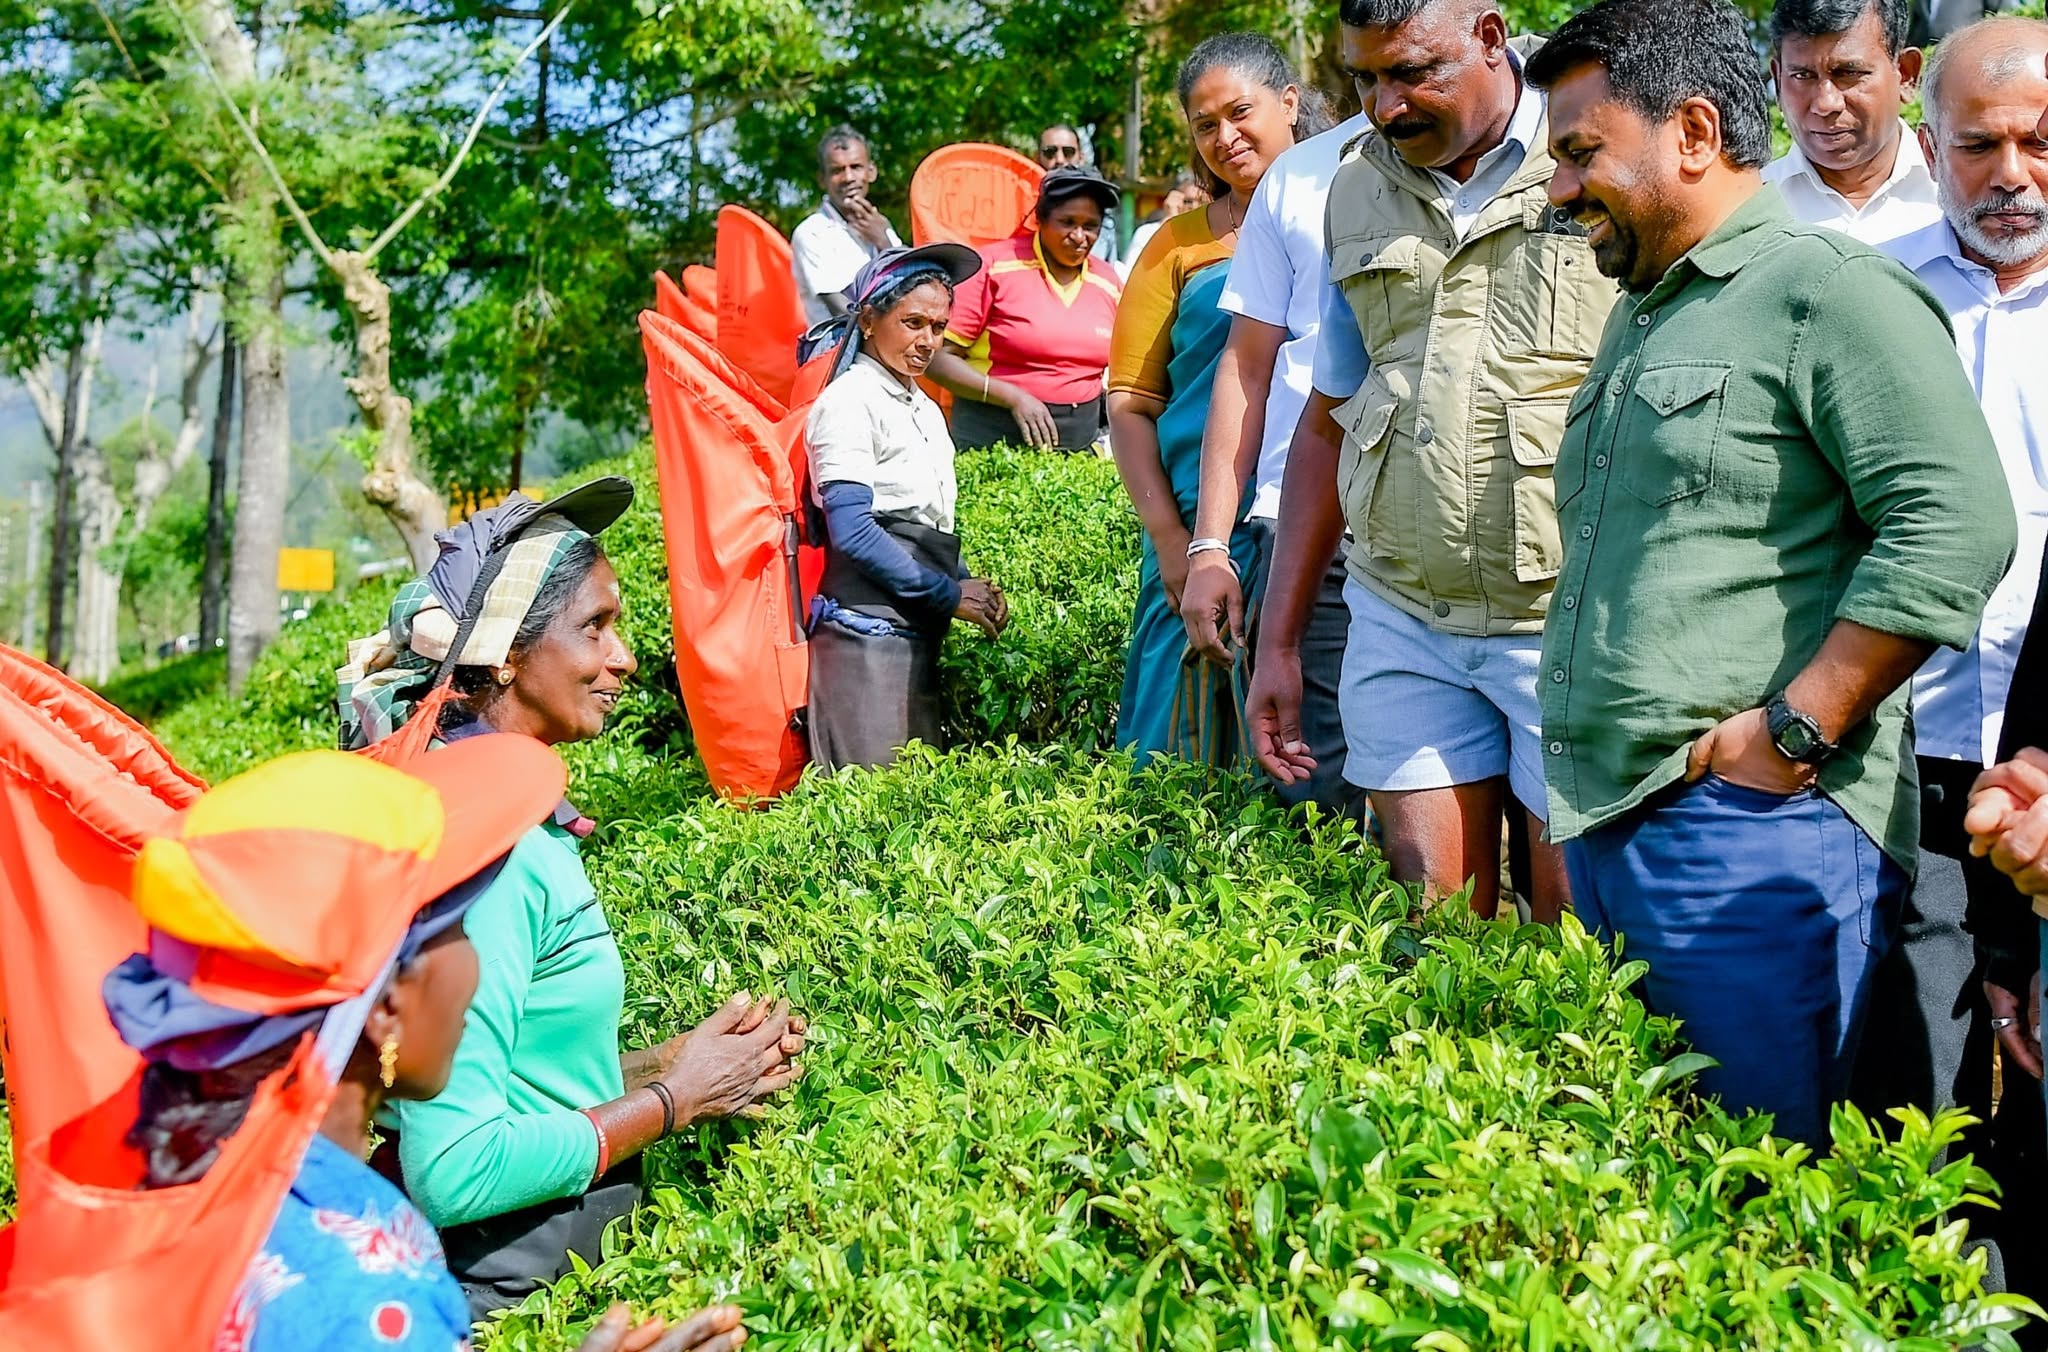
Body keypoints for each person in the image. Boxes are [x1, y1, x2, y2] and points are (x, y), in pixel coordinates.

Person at [1527, 0, 2015, 1146]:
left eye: (1579, 152)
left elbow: (1953, 521)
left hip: (1749, 833)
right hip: (1616, 819)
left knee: (1755, 1200)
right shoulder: (1650, 306)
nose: (1557, 189)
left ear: (1691, 132)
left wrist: (1792, 733)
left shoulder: (1821, 289)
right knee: (1657, 1189)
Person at [337, 479, 806, 1316]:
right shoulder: (494, 851)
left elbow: (517, 1082)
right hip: (507, 1283)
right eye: (595, 627)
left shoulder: (511, 815)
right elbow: (454, 1167)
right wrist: (674, 1102)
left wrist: (672, 1064)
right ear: (509, 654)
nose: (623, 655)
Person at [106, 743, 747, 1352]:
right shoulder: (364, 1300)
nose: (477, 968)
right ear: (385, 1009)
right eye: (457, 933)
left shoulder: (209, 1188)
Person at [1244, 0, 1621, 923]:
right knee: (1436, 935)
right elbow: (1329, 420)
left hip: (1567, 625)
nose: (1383, 104)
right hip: (1404, 614)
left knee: (1581, 957)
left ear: (1492, 39)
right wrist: (1280, 639)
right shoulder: (1353, 187)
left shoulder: (1595, 149)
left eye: (1412, 72)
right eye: (1363, 78)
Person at [1895, 22, 2048, 1292]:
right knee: (1932, 1058)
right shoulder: (1873, 298)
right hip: (1916, 743)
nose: (2010, 172)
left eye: (2038, 142)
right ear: (1927, 144)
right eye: (1978, 143)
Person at [1107, 33, 1331, 764]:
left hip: (1328, 515)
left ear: (1289, 103)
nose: (1224, 138)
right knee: (1184, 747)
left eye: (1241, 112)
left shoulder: (1354, 213)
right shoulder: (1175, 246)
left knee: (1316, 745)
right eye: (1205, 125)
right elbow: (1131, 403)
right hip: (1206, 534)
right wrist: (1178, 546)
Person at [1177, 77, 1371, 816]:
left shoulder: (1533, 154)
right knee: (1313, 788)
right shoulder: (1302, 175)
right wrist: (1209, 546)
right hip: (1305, 525)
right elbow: (1245, 365)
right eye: (1206, 123)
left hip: (1468, 526)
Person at [805, 243, 1013, 771]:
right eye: (912, 322)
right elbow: (852, 530)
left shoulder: (923, 406)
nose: (927, 341)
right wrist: (949, 594)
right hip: (865, 638)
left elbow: (926, 521)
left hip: (913, 630)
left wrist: (970, 585)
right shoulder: (850, 401)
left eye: (938, 327)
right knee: (868, 813)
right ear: (870, 321)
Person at [925, 166, 1124, 453]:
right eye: (1067, 222)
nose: (1079, 236)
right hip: (992, 445)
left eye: (1090, 226)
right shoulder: (994, 266)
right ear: (1041, 219)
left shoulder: (1108, 281)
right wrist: (1013, 397)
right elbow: (938, 359)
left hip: (1079, 451)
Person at [1765, 0, 1940, 246]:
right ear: (1778, 81)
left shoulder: (1961, 200)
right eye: (1802, 76)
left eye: (1849, 73)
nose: (1825, 104)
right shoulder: (1748, 209)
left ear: (1906, 75)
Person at [792, 125, 904, 327]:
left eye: (856, 167)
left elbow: (911, 284)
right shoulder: (812, 233)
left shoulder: (879, 224)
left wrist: (884, 242)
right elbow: (842, 309)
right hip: (838, 347)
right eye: (837, 171)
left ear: (871, 172)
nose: (848, 178)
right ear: (822, 179)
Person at [1037, 124, 1123, 267]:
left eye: (1068, 152)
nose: (1059, 159)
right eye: (1050, 152)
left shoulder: (1103, 213)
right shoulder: (1020, 204)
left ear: (1081, 157)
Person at [1126, 172, 1209, 268]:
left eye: (1202, 201)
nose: (1195, 207)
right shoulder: (1147, 233)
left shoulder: (1215, 236)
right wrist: (1170, 223)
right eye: (1188, 201)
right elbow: (1131, 272)